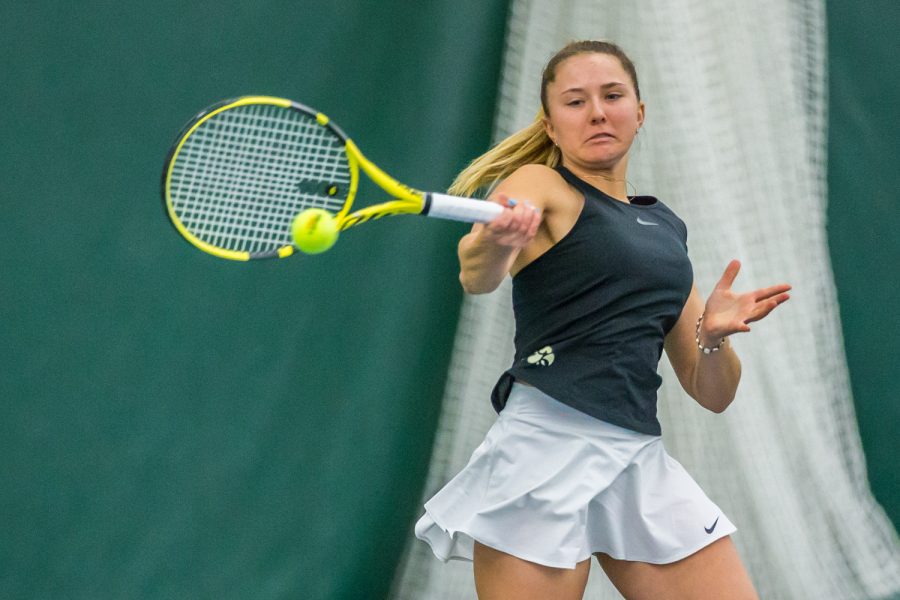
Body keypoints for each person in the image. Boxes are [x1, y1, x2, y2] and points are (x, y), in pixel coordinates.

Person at [414, 40, 791, 599]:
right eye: (575, 101)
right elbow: (477, 273)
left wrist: (711, 339)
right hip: (542, 452)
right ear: (551, 124)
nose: (596, 111)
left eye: (612, 95)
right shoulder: (541, 186)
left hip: (637, 456)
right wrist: (495, 242)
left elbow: (711, 392)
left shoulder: (666, 230)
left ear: (639, 111)